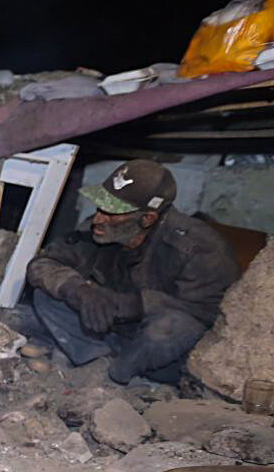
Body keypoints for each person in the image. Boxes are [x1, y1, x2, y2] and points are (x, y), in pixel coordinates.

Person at [27, 159, 240, 385]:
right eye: (100, 207)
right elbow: (42, 264)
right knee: (49, 292)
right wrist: (78, 290)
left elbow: (211, 312)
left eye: (112, 212)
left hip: (158, 352)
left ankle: (119, 377)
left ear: (147, 218)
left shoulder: (199, 248)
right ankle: (96, 364)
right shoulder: (97, 230)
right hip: (110, 332)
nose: (98, 219)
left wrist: (135, 305)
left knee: (170, 328)